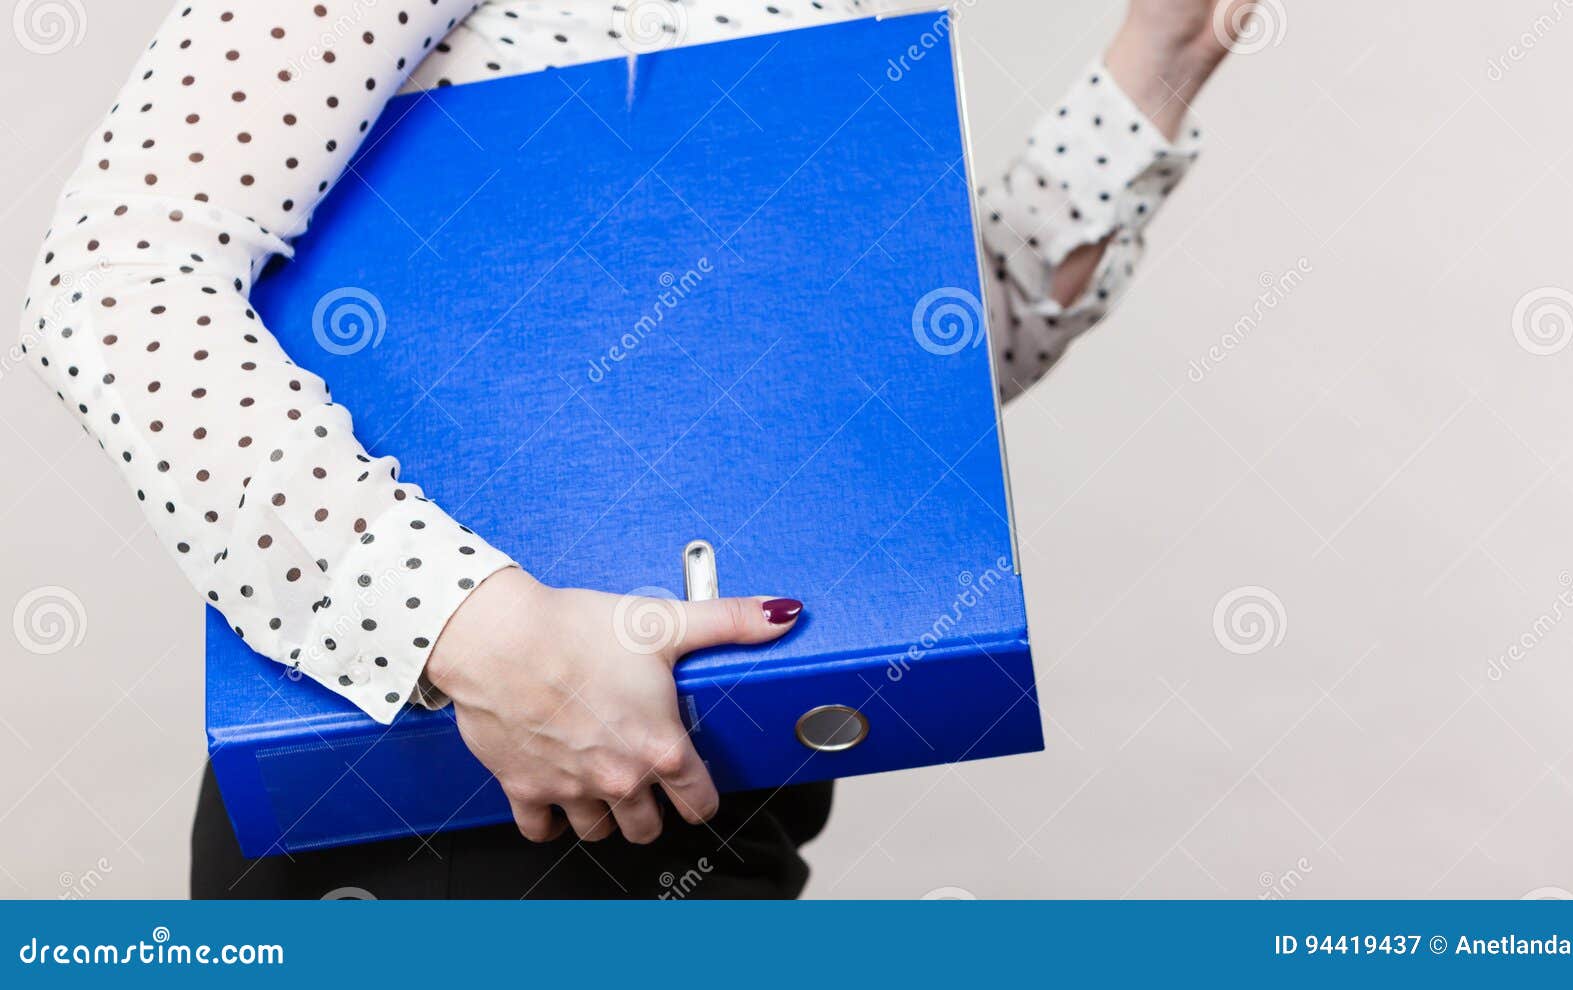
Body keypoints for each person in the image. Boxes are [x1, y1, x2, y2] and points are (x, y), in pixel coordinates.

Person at [19, 0, 1254, 898]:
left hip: (714, 801)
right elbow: (113, 282)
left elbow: (876, 381)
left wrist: (1156, 64)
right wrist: (491, 641)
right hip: (427, 820)